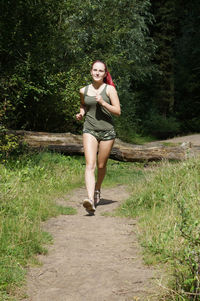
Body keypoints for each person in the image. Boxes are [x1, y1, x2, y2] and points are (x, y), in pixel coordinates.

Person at [76, 60, 121, 214]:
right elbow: (84, 105)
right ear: (90, 71)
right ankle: (90, 199)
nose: (97, 73)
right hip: (89, 130)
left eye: (100, 71)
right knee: (90, 165)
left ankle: (97, 189)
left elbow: (118, 111)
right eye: (95, 70)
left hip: (107, 132)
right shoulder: (83, 90)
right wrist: (81, 113)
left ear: (105, 74)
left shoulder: (109, 90)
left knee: (101, 166)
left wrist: (103, 102)